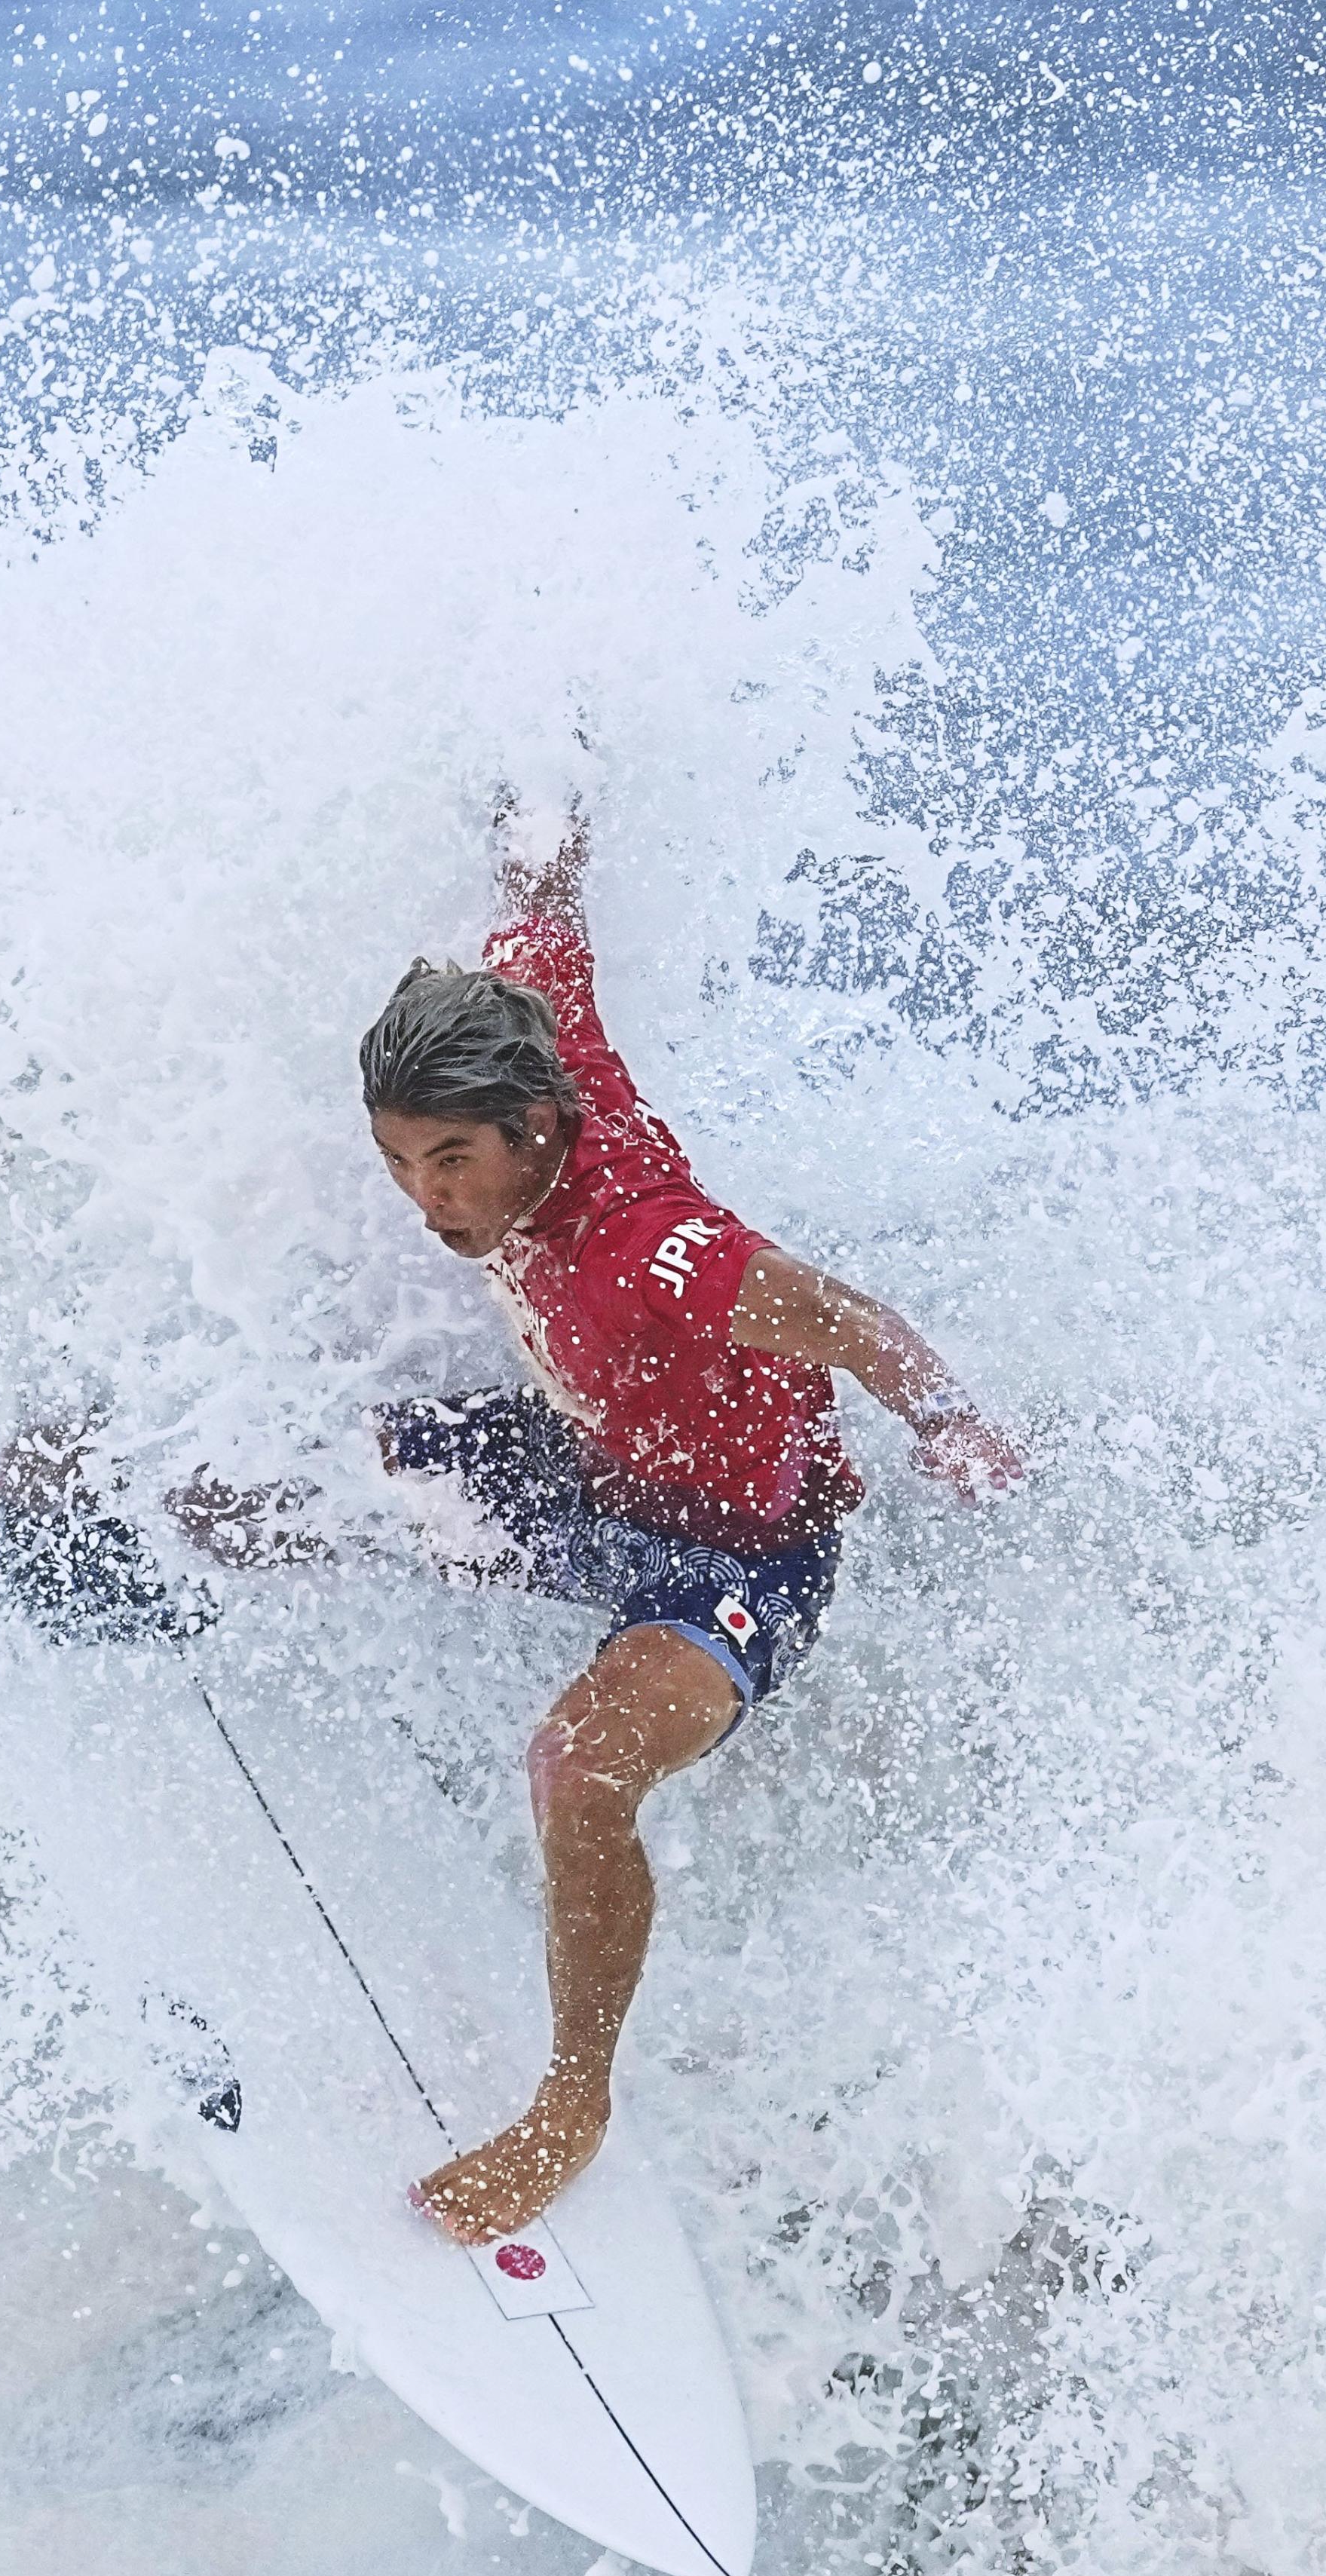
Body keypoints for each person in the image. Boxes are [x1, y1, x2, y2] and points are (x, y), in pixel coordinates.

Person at [341, 805, 1023, 2247]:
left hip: (736, 1554)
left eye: (449, 1161)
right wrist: (544, 781)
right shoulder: (532, 1040)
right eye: (400, 1162)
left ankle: (570, 2103)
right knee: (253, 1490)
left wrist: (948, 1422)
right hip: (589, 1467)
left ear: (532, 1132)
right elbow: (542, 892)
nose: (425, 1199)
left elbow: (838, 1317)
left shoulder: (654, 1242)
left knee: (578, 1767)